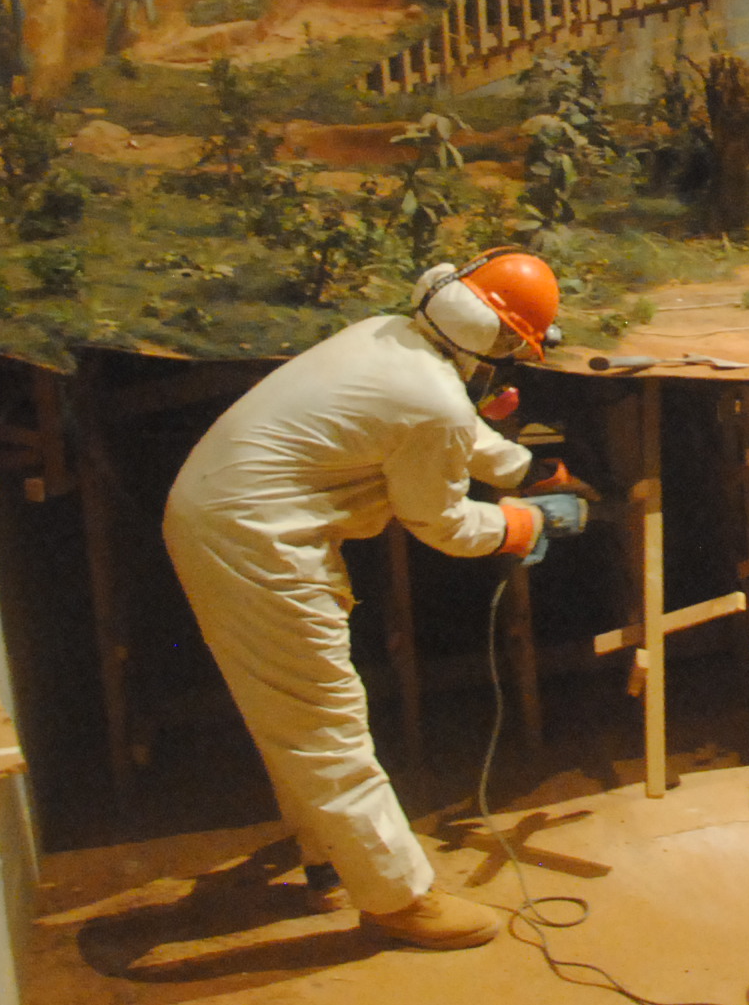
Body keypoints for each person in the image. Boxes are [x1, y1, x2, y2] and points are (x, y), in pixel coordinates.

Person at [162, 252, 589, 949]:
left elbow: (446, 426)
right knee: (323, 720)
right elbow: (441, 523)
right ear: (496, 339)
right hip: (255, 539)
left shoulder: (387, 337)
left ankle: (329, 856)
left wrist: (526, 470)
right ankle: (399, 900)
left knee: (292, 712)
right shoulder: (433, 398)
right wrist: (525, 524)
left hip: (229, 516)